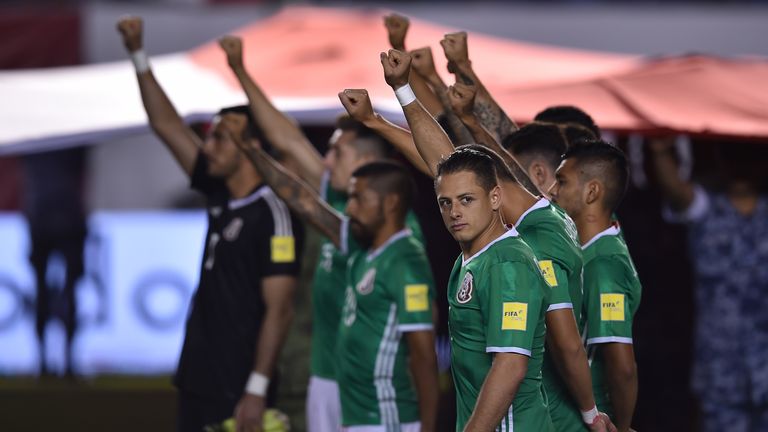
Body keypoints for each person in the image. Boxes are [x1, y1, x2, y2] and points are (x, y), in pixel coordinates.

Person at [378, 48, 614, 431]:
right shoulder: (506, 241)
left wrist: (591, 413)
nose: (455, 209)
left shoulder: (523, 252)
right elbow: (454, 167)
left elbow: (542, 354)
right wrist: (412, 90)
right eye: (447, 203)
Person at [217, 34, 426, 432]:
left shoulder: (396, 233)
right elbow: (288, 140)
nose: (327, 162)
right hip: (323, 377)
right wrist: (240, 70)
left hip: (372, 389)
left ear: (365, 161)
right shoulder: (338, 200)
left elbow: (421, 337)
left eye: (338, 152)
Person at [117, 17, 304, 432]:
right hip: (198, 373)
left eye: (221, 137)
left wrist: (256, 388)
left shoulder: (274, 213)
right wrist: (138, 54)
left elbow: (280, 309)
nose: (209, 146)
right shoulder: (221, 193)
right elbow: (166, 126)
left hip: (238, 384)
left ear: (251, 147)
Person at [226, 141, 440, 431]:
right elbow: (303, 201)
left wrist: (428, 427)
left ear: (389, 203)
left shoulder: (406, 260)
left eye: (358, 199)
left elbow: (424, 356)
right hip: (356, 415)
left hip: (386, 417)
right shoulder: (362, 248)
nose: (349, 208)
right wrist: (253, 152)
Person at [648, 138, 768, 432]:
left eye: (750, 160)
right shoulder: (707, 207)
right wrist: (660, 149)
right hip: (721, 364)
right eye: (735, 159)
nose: (742, 170)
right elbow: (677, 191)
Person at [433, 147, 551, 431]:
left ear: (495, 197)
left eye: (467, 200)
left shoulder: (507, 264)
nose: (455, 212)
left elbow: (510, 365)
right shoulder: (473, 258)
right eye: (445, 203)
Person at [550, 140, 641, 432]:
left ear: (592, 191)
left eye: (562, 181)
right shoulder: (592, 244)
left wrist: (623, 427)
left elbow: (622, 365)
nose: (553, 189)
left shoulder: (603, 265)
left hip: (592, 421)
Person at [22, 147, 88, 378]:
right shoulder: (74, 139)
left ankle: (46, 362)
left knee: (46, 289)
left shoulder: (33, 139)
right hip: (65, 213)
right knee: (66, 290)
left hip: (42, 212)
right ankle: (64, 362)